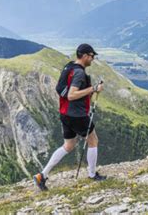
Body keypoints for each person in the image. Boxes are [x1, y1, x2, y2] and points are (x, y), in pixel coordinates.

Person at [34, 43, 106, 191]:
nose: (93, 59)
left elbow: (67, 92)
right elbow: (72, 95)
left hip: (65, 113)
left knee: (68, 145)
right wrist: (93, 89)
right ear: (85, 56)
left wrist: (90, 91)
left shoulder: (69, 67)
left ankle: (43, 175)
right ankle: (92, 175)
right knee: (93, 141)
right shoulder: (79, 73)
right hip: (77, 115)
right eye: (92, 56)